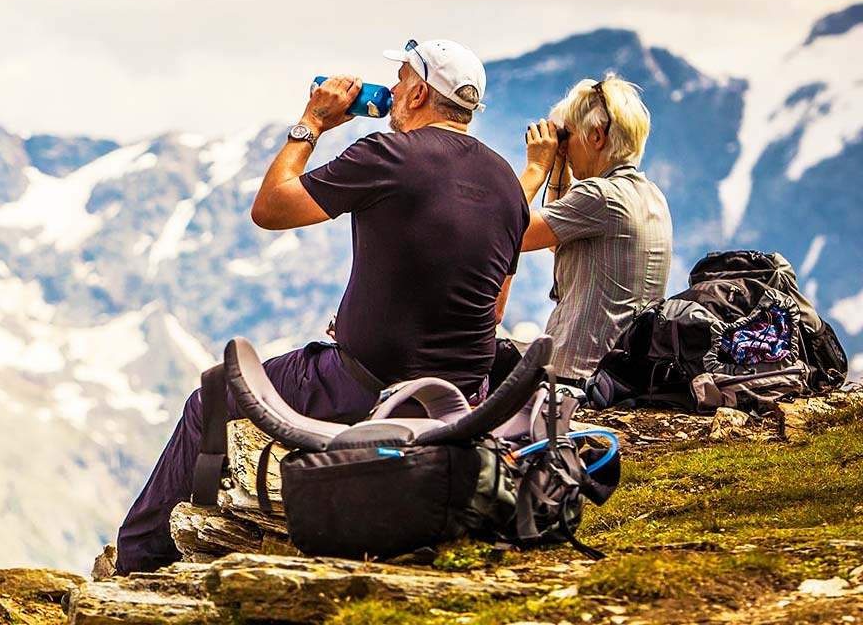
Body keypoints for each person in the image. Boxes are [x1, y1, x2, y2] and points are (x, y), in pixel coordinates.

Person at [114, 39, 529, 574]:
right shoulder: (506, 183)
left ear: (421, 92)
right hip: (462, 397)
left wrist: (312, 121)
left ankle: (144, 565)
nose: (393, 92)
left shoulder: (388, 154)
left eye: (401, 81)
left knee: (210, 398)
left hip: (367, 383)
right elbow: (492, 311)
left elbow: (270, 208)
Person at [517, 75, 671, 385]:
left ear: (597, 136)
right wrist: (560, 166)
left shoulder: (600, 196)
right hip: (618, 374)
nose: (566, 145)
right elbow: (555, 240)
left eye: (569, 135)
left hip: (576, 374)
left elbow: (505, 234)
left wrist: (536, 168)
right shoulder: (651, 194)